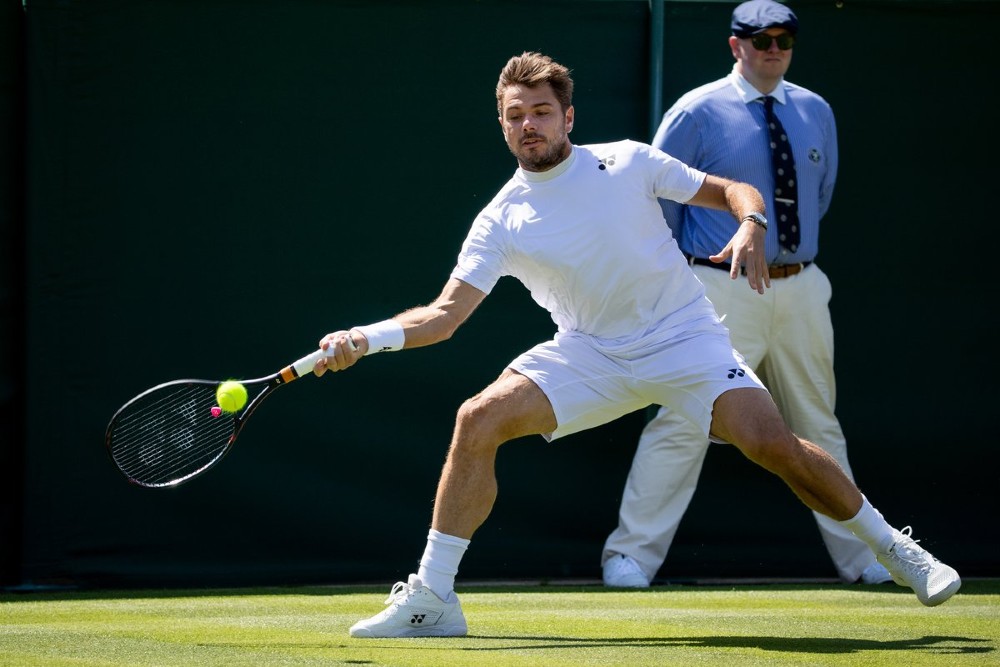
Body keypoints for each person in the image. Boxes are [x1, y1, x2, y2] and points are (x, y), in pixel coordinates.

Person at [313, 51, 960, 639]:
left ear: (569, 117)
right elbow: (443, 317)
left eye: (542, 111)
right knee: (476, 419)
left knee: (772, 444)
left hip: (684, 337)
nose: (529, 124)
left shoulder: (629, 161)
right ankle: (433, 596)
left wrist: (752, 222)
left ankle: (896, 549)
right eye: (515, 115)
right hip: (588, 354)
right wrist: (364, 338)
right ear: (503, 126)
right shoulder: (499, 219)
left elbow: (731, 190)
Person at [602, 0, 892, 589]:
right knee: (683, 421)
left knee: (818, 422)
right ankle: (629, 557)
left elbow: (819, 195)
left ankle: (863, 558)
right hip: (718, 287)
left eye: (785, 39)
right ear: (736, 45)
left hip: (801, 286)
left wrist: (786, 254)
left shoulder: (815, 109)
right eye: (761, 40)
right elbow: (657, 203)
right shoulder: (696, 111)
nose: (774, 49)